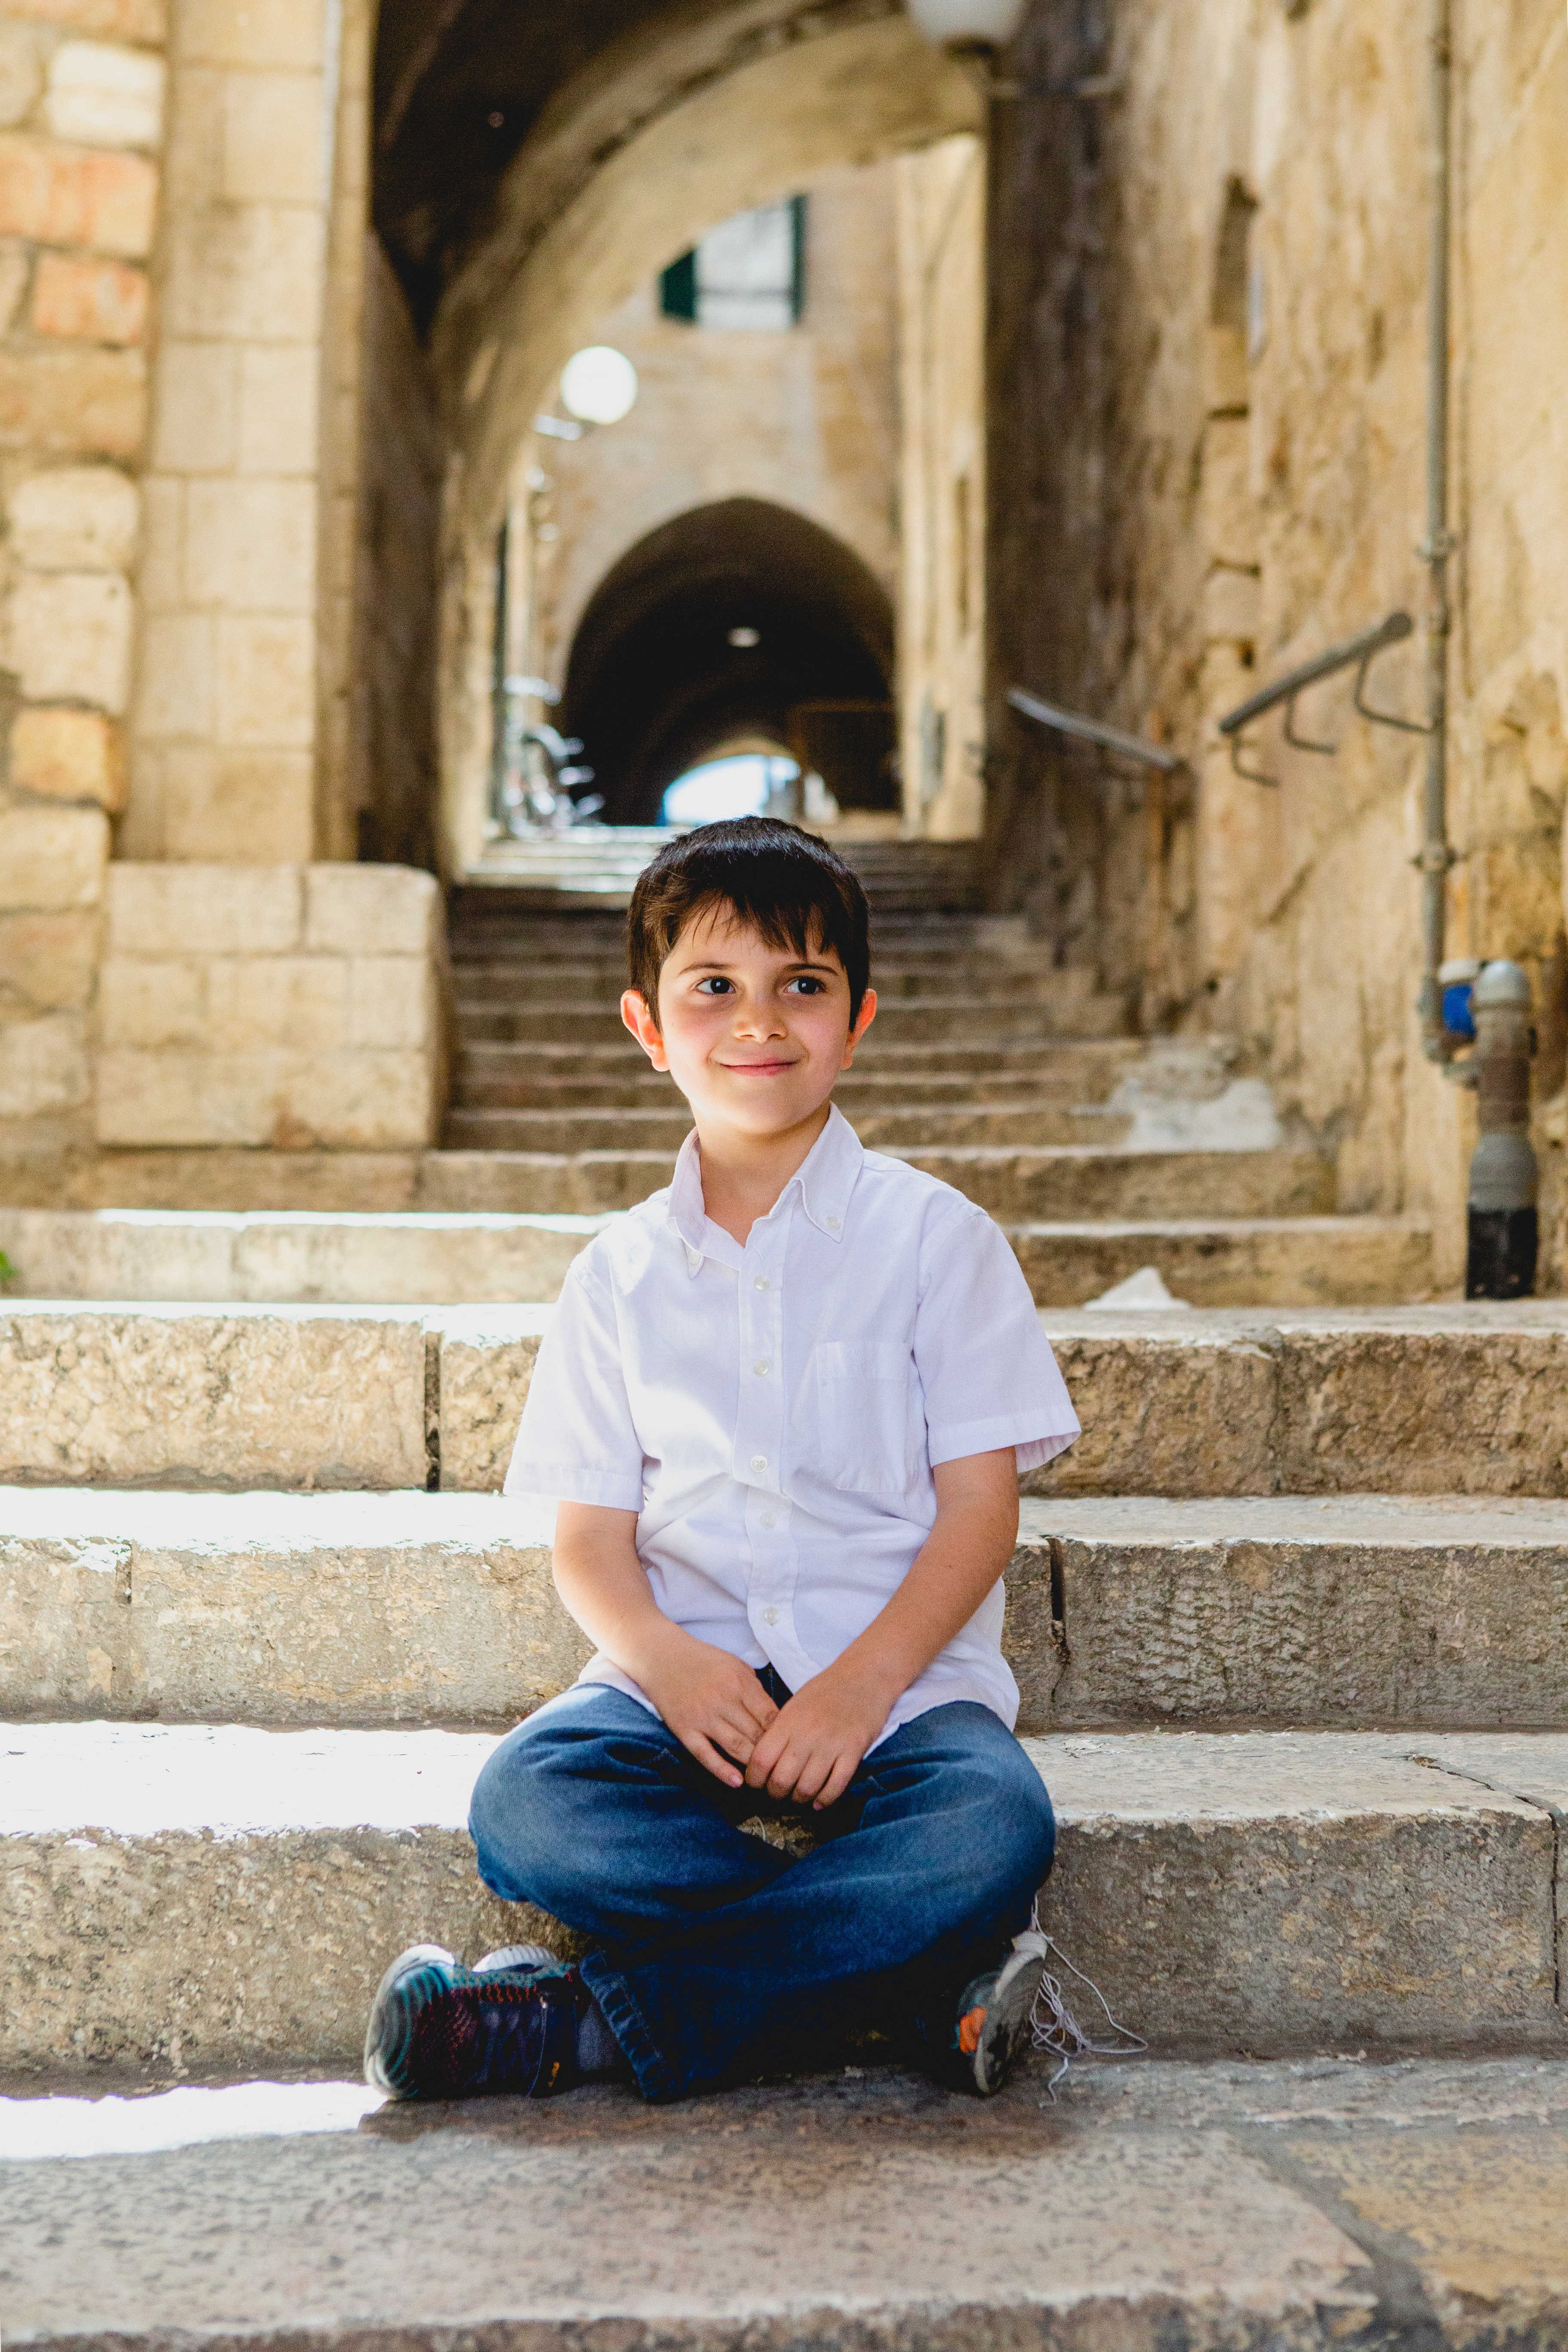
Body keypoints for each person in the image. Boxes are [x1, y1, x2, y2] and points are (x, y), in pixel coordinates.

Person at [364, 816, 1080, 2106]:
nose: (758, 1021)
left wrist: (863, 1686)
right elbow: (586, 1541)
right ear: (648, 1028)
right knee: (528, 1805)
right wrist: (668, 1665)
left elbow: (980, 1507)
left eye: (798, 986)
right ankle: (913, 1995)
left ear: (856, 1018)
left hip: (901, 1689)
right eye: (714, 990)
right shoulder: (616, 1275)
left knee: (991, 1828)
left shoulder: (936, 1240)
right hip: (679, 1680)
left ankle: (573, 2027)